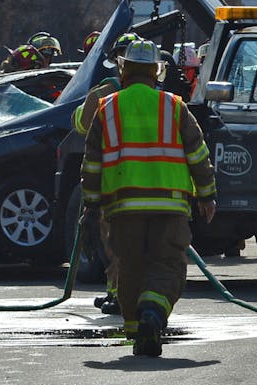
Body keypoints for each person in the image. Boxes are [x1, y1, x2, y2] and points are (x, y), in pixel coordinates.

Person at [80, 39, 217, 357]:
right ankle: (152, 317)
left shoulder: (107, 107)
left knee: (130, 267)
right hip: (169, 207)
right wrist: (207, 195)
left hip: (122, 209)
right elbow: (197, 153)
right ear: (157, 71)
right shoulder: (174, 105)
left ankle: (138, 332)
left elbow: (91, 162)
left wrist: (90, 206)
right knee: (167, 264)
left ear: (123, 68)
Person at [72, 32, 140, 315]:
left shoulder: (101, 95)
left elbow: (81, 125)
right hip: (152, 180)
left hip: (114, 182)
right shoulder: (160, 97)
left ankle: (117, 294)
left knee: (114, 242)